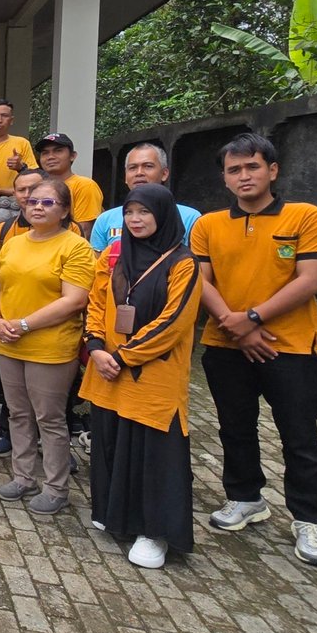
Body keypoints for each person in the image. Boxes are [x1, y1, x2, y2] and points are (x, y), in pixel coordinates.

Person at [191, 132, 317, 567]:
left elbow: (311, 279)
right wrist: (235, 327)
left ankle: (309, 519)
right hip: (224, 343)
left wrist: (251, 319)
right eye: (234, 170)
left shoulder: (305, 217)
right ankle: (244, 497)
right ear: (225, 178)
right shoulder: (209, 224)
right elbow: (201, 280)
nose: (244, 176)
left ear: (272, 170)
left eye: (252, 167)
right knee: (235, 426)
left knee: (299, 435)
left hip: (290, 346)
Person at [81, 184, 201, 569]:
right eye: (130, 212)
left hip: (152, 375)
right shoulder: (116, 259)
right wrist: (96, 346)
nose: (135, 220)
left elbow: (174, 323)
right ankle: (115, 515)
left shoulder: (183, 263)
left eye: (144, 213)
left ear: (165, 215)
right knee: (113, 441)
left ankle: (155, 531)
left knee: (153, 452)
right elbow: (97, 303)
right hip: (108, 368)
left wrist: (122, 356)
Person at [0, 177, 94, 514]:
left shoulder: (75, 246)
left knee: (49, 418)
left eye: (47, 202)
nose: (37, 207)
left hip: (49, 345)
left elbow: (75, 300)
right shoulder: (14, 243)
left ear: (64, 210)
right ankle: (23, 476)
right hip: (8, 341)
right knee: (18, 412)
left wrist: (25, 324)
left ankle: (57, 487)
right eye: (32, 201)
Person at [88, 142, 202, 253]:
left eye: (148, 166)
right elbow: (98, 268)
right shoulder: (105, 219)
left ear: (164, 174)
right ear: (126, 177)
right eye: (132, 168)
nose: (139, 173)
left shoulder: (191, 217)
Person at [34, 132, 105, 236]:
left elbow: (84, 230)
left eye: (58, 151)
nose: (50, 157)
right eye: (45, 153)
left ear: (72, 156)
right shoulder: (39, 187)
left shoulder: (84, 185)